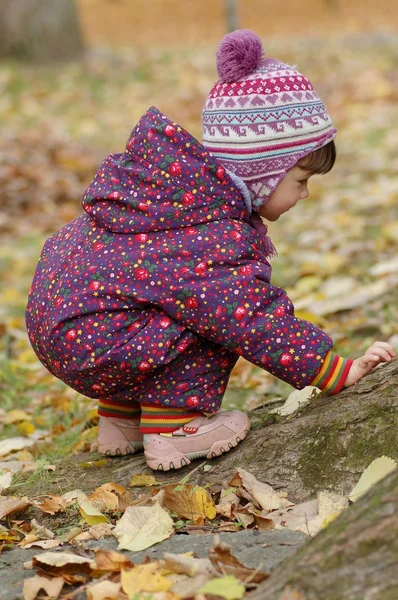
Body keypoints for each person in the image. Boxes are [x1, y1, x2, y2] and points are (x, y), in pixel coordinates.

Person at [26, 29, 395, 472]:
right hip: (96, 340)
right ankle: (175, 429)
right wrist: (332, 372)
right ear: (262, 171)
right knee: (221, 313)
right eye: (300, 180)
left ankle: (121, 418)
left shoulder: (170, 196)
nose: (305, 195)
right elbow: (253, 319)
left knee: (145, 300)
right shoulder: (210, 233)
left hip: (64, 330)